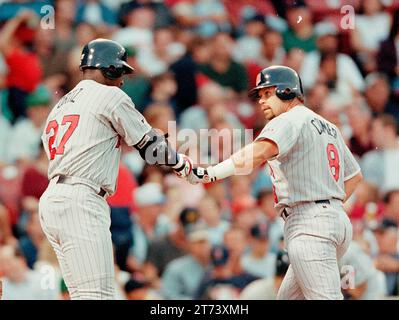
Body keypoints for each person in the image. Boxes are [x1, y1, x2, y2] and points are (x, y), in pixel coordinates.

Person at [184, 65, 363, 300]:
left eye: (268, 93)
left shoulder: (289, 118)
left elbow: (257, 153)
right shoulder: (328, 126)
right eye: (260, 95)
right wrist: (330, 207)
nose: (262, 100)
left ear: (287, 91)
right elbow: (354, 177)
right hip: (333, 221)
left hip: (310, 224)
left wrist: (209, 173)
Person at [38, 38, 193, 300]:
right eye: (120, 72)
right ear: (108, 69)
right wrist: (183, 165)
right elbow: (151, 146)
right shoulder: (109, 94)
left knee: (81, 295)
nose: (122, 80)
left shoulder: (60, 105)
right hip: (82, 198)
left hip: (53, 199)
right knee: (97, 295)